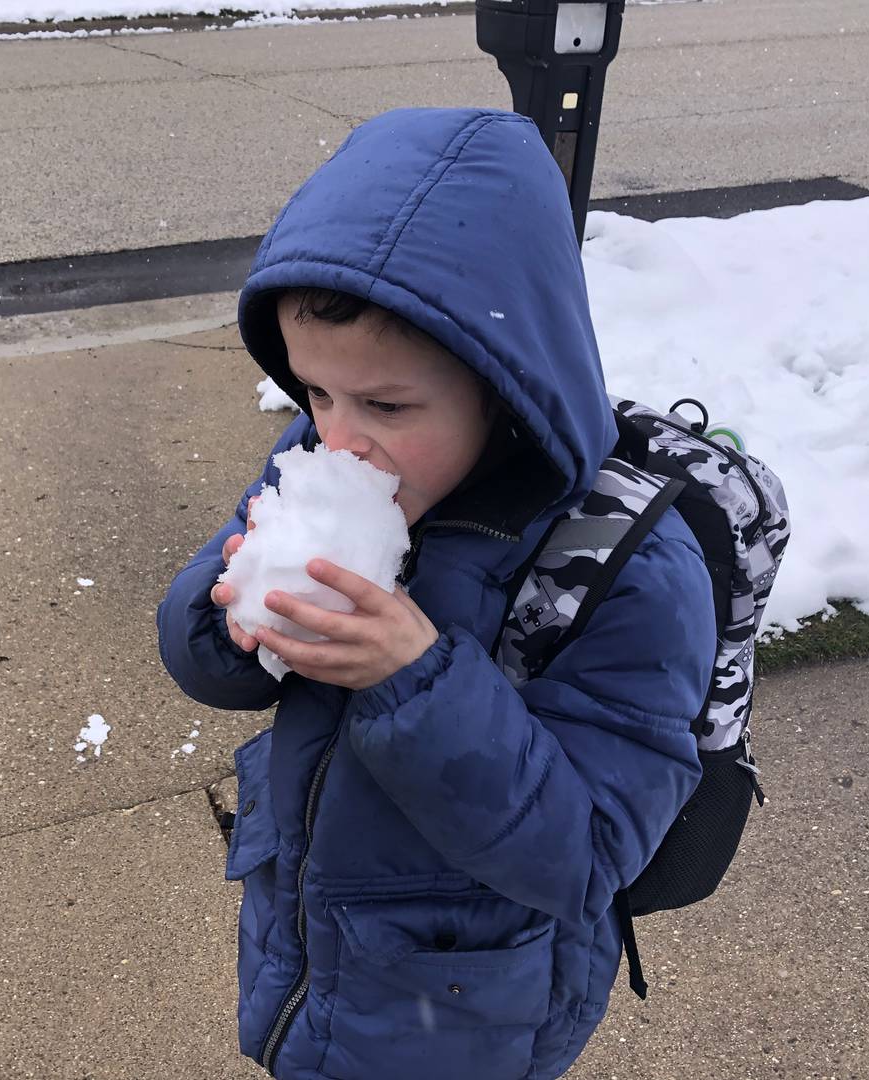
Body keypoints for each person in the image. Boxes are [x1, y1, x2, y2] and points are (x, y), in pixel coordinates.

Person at [155, 107, 716, 1080]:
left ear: (506, 383)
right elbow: (202, 660)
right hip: (311, 936)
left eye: (384, 404)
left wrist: (416, 681)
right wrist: (229, 606)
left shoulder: (630, 573)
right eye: (314, 394)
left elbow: (584, 857)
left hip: (461, 1013)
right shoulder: (332, 455)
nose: (338, 437)